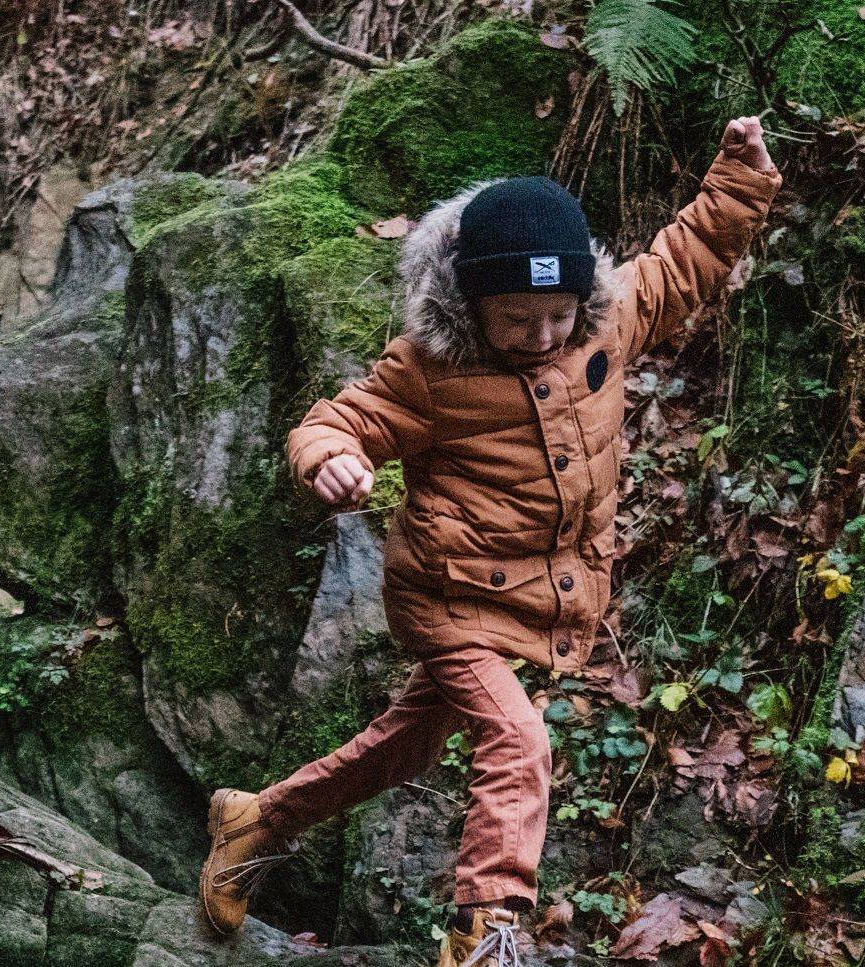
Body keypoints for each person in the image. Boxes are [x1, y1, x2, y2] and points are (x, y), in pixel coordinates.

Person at [197, 117, 781, 966]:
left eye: (556, 314)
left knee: (412, 741)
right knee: (518, 739)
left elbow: (686, 257)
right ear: (471, 303)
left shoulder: (605, 326)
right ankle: (487, 929)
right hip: (446, 596)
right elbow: (337, 420)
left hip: (536, 594)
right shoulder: (430, 369)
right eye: (516, 318)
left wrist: (739, 179)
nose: (542, 335)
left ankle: (256, 820)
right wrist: (331, 459)